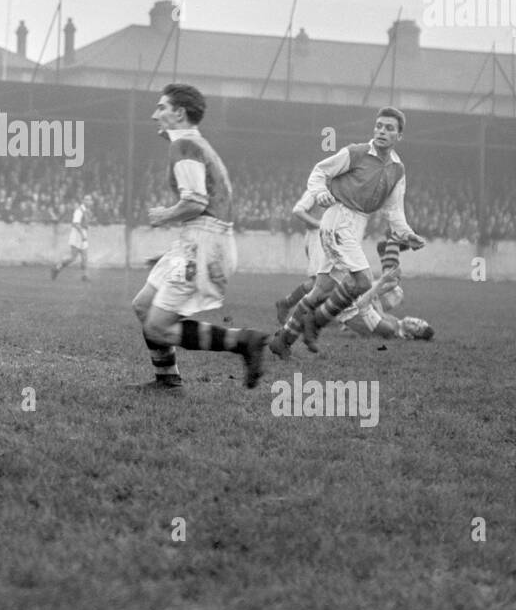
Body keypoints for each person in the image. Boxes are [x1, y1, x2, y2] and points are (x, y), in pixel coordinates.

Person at [130, 83, 269, 389]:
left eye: (161, 108)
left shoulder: (185, 146)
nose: (155, 115)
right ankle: (167, 378)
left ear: (179, 113)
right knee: (143, 305)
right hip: (198, 240)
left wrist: (164, 215)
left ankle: (244, 340)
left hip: (204, 243)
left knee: (157, 327)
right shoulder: (194, 144)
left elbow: (195, 201)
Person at [270, 108, 425, 359]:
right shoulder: (357, 153)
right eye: (379, 126)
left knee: (320, 290)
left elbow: (394, 211)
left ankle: (284, 339)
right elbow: (320, 170)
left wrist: (408, 235)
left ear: (399, 136)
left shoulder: (397, 169)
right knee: (363, 281)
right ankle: (317, 322)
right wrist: (320, 192)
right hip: (339, 218)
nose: (382, 131)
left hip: (356, 224)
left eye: (389, 128)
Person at [335, 240, 434, 341]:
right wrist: (388, 284)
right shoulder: (394, 322)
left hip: (347, 305)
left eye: (416, 328)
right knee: (396, 292)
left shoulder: (389, 329)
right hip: (353, 303)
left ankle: (386, 253)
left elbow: (362, 305)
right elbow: (370, 303)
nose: (414, 322)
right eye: (419, 321)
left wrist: (383, 281)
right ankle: (386, 254)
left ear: (409, 336)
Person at [273, 186, 329, 348]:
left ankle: (290, 305)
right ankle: (303, 318)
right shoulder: (317, 189)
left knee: (323, 282)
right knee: (320, 282)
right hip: (316, 238)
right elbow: (298, 210)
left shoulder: (336, 189)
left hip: (323, 237)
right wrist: (319, 224)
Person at [50, 193, 92, 281]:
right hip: (77, 235)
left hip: (83, 234)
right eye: (87, 199)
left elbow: (85, 223)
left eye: (90, 200)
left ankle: (84, 276)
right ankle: (57, 268)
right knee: (72, 258)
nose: (89, 201)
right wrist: (82, 234)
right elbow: (76, 224)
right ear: (83, 201)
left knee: (85, 257)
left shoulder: (87, 211)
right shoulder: (79, 210)